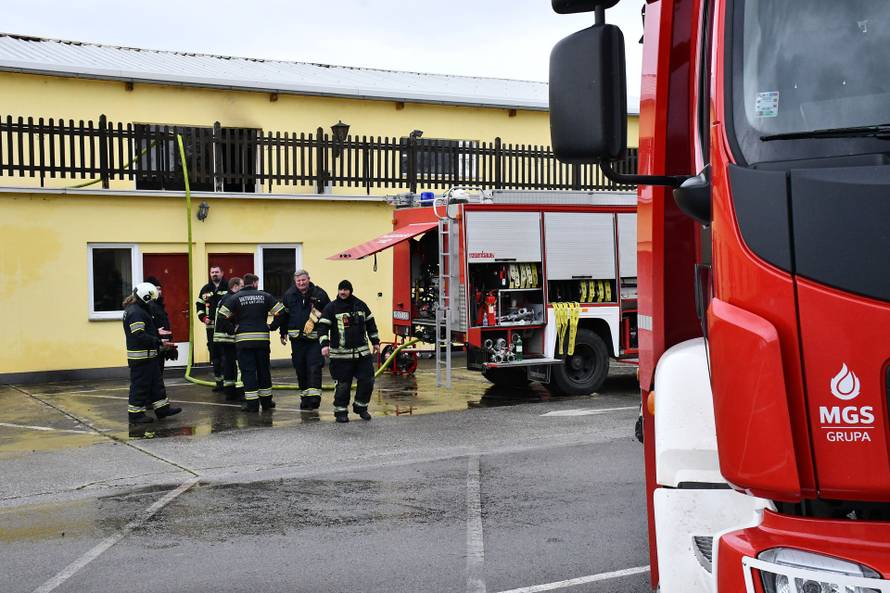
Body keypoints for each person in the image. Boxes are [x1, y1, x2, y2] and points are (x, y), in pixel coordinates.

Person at [218, 274, 284, 412]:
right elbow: (281, 312)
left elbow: (221, 316)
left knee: (248, 372)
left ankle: (252, 404)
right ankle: (266, 402)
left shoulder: (234, 298)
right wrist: (271, 326)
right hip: (262, 341)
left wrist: (233, 329)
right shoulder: (265, 296)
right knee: (263, 371)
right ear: (254, 283)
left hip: (243, 342)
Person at [318, 280, 380, 423]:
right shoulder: (331, 307)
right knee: (343, 385)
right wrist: (324, 345)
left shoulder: (360, 305)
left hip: (361, 354)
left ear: (350, 291)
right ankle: (340, 412)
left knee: (367, 381)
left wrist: (375, 342)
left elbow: (371, 324)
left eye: (345, 290)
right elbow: (322, 327)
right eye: (341, 289)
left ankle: (361, 407)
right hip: (340, 355)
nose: (343, 292)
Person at [123, 282, 182, 424]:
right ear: (145, 296)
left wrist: (156, 332)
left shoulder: (139, 309)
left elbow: (144, 331)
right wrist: (159, 342)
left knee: (156, 384)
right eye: (150, 298)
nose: (152, 302)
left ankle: (162, 409)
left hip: (149, 356)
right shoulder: (135, 312)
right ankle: (135, 415)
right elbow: (138, 336)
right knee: (140, 386)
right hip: (141, 357)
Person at [277, 270, 330, 410]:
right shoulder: (289, 295)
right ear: (295, 281)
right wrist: (282, 332)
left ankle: (314, 398)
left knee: (314, 367)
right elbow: (284, 316)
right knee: (300, 368)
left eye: (303, 280)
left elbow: (328, 314)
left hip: (314, 340)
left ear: (308, 279)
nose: (301, 283)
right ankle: (305, 398)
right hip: (297, 340)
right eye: (298, 281)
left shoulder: (319, 294)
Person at [196, 265, 228, 391]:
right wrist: (203, 318)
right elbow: (199, 305)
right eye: (212, 272)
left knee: (225, 355)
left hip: (225, 328)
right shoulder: (205, 289)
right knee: (214, 355)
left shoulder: (227, 287)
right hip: (210, 328)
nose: (214, 274)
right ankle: (219, 383)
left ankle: (228, 382)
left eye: (217, 272)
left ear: (222, 273)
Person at [214, 277, 243, 402]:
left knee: (228, 365)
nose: (243, 289)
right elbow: (224, 318)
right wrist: (233, 329)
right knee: (238, 365)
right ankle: (239, 392)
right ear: (235, 286)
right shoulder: (232, 299)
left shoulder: (224, 298)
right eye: (241, 286)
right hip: (230, 337)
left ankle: (230, 392)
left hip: (223, 338)